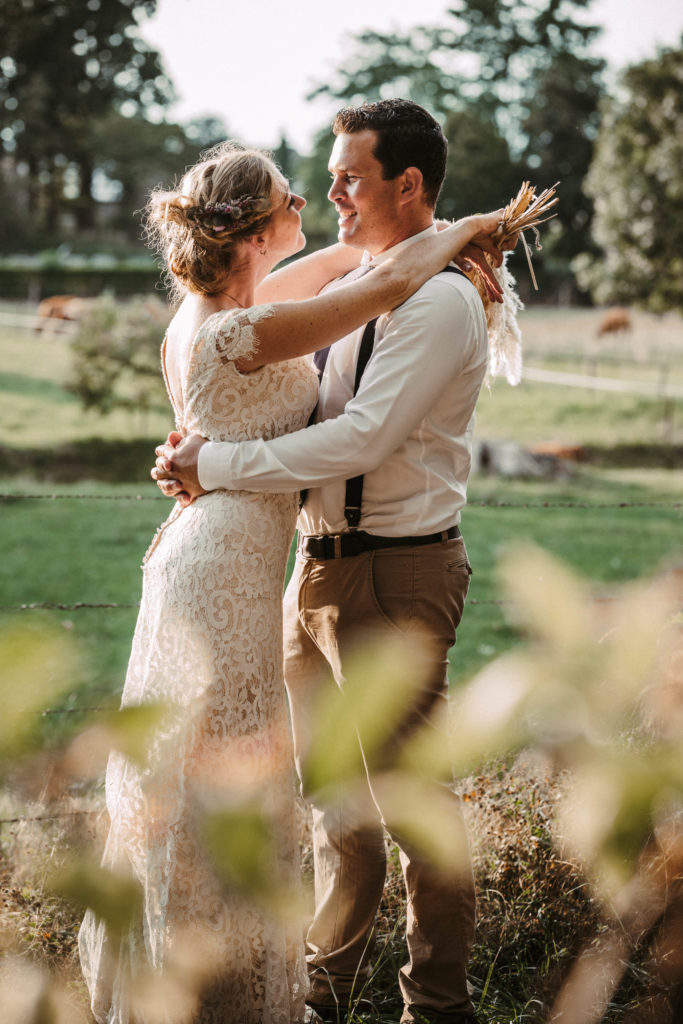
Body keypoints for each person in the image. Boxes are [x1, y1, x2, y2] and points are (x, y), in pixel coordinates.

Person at [79, 133, 506, 1024]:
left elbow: (370, 274)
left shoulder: (251, 302)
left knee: (257, 779)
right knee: (238, 783)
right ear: (254, 228)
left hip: (272, 559)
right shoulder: (251, 320)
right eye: (297, 197)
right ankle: (221, 987)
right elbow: (377, 277)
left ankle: (398, 1002)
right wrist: (469, 226)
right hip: (244, 566)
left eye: (343, 181)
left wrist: (463, 241)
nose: (318, 203)